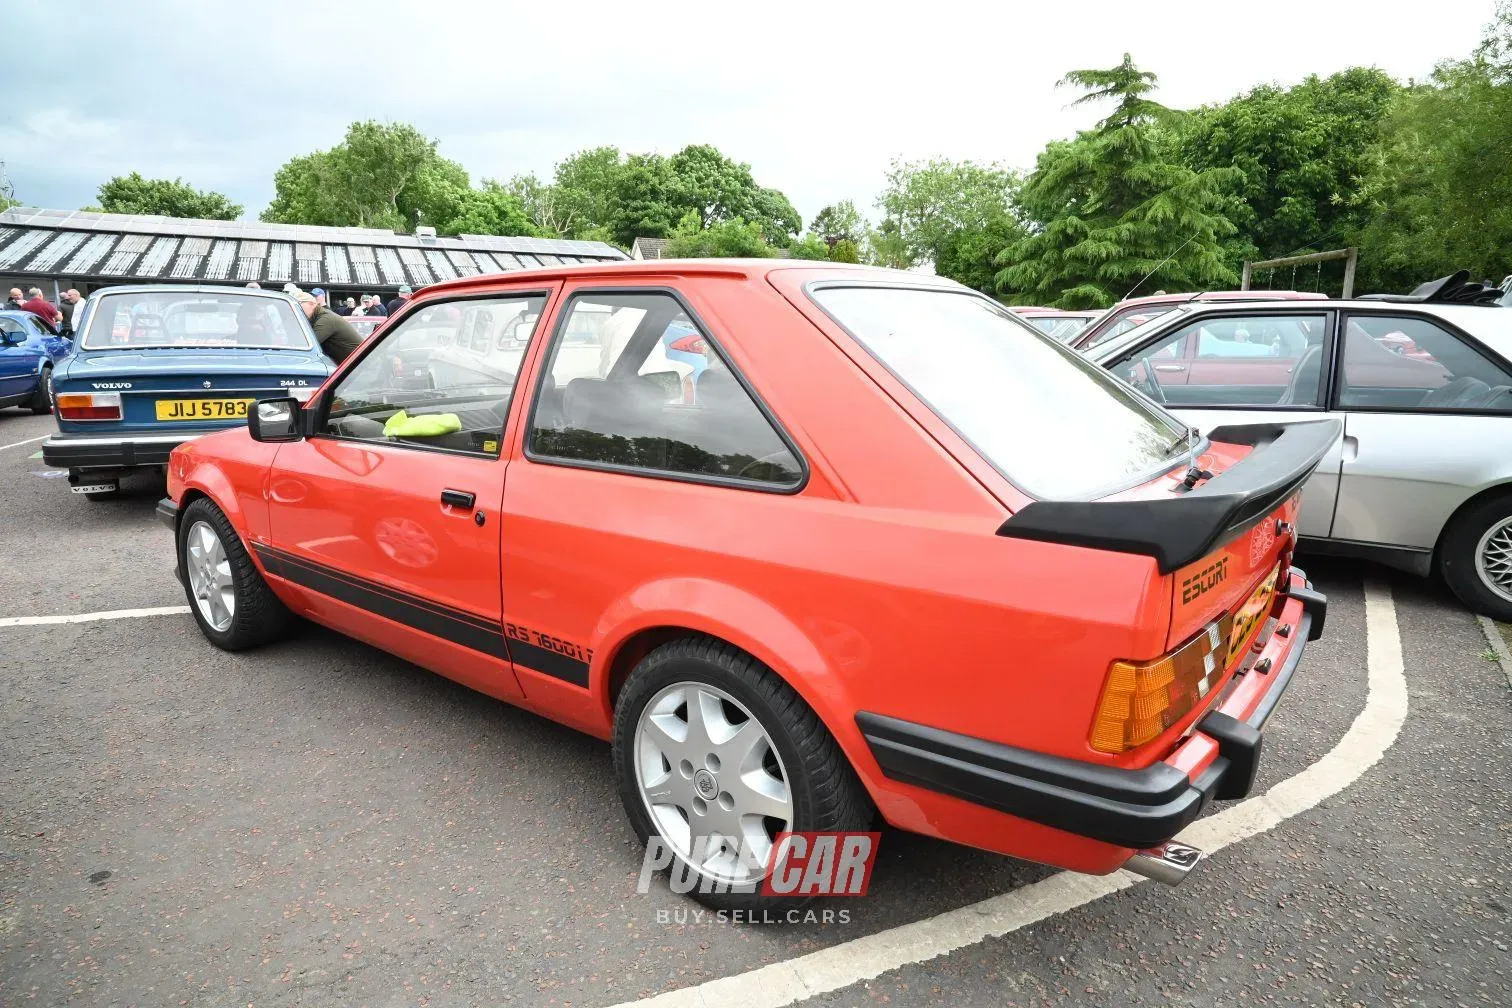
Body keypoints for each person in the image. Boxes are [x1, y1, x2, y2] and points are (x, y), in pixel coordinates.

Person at [294, 290, 362, 363]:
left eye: (299, 305)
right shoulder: (318, 317)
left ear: (312, 304)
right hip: (351, 365)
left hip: (359, 365)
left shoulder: (326, 318)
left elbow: (307, 345)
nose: (297, 309)